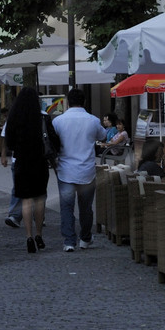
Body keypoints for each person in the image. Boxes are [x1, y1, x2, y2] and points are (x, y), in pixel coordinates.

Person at [50, 88, 104, 253]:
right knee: (86, 207)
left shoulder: (58, 121)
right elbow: (102, 137)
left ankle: (69, 241)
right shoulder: (93, 120)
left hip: (66, 170)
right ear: (84, 101)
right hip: (86, 170)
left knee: (66, 207)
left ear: (67, 101)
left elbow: (53, 143)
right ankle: (85, 238)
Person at [2, 86, 52, 253]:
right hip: (40, 162)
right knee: (39, 199)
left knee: (26, 200)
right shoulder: (43, 118)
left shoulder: (14, 118)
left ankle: (29, 236)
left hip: (21, 162)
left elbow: (9, 143)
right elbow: (52, 141)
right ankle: (39, 234)